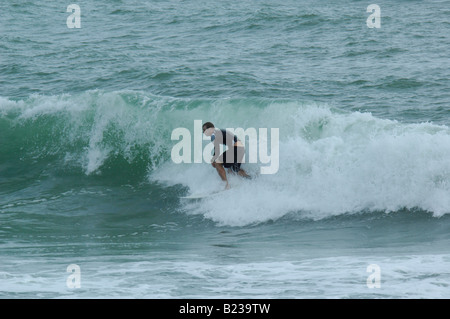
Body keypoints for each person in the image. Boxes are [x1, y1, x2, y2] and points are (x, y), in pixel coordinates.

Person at [202, 122, 251, 189]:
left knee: (218, 163)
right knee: (233, 169)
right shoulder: (219, 132)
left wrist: (213, 160)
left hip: (236, 149)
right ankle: (250, 178)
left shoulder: (213, 135)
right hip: (241, 149)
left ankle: (226, 185)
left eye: (204, 130)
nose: (203, 132)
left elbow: (217, 150)